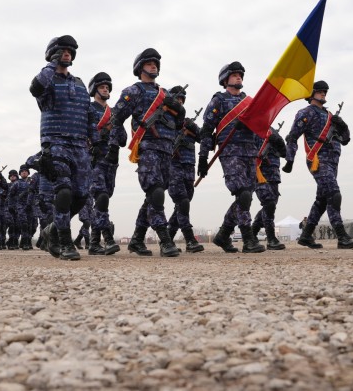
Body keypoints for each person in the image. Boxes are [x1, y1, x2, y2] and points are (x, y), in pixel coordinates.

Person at [109, 48, 185, 257]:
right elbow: (116, 117)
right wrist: (118, 141)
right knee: (156, 193)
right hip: (148, 147)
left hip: (166, 150)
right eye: (150, 63)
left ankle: (136, 240)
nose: (154, 66)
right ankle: (165, 240)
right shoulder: (133, 91)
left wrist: (180, 111)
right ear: (140, 67)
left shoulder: (166, 94)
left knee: (153, 196)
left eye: (156, 64)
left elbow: (177, 125)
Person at [29, 35, 99, 261]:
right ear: (53, 54)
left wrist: (95, 141)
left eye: (69, 51)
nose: (67, 53)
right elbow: (35, 88)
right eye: (62, 50)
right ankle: (64, 239)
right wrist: (52, 63)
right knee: (64, 191)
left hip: (80, 146)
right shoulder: (47, 81)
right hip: (56, 143)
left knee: (81, 195)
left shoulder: (79, 84)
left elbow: (89, 114)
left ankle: (51, 230)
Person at [197, 61, 265, 254]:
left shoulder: (250, 102)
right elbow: (207, 130)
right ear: (225, 79)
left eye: (241, 75)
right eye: (235, 75)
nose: (239, 77)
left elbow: (261, 127)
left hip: (250, 152)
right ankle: (248, 239)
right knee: (243, 193)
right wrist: (203, 157)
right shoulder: (218, 100)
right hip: (230, 152)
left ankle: (223, 235)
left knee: (245, 197)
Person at [284, 80, 353, 249]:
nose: (323, 93)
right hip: (318, 160)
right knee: (334, 194)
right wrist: (289, 160)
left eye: (324, 91)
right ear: (311, 94)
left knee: (322, 200)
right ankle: (342, 237)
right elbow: (292, 137)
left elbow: (345, 139)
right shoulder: (306, 113)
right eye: (319, 91)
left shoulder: (330, 115)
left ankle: (306, 236)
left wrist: (343, 126)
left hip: (333, 161)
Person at [87, 71, 125, 255]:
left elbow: (124, 139)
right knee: (101, 196)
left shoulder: (113, 114)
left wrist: (117, 123)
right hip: (95, 160)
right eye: (102, 87)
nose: (106, 89)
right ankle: (108, 238)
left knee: (103, 201)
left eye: (108, 87)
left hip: (112, 161)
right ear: (95, 89)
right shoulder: (89, 109)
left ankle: (94, 243)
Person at [167, 86, 205, 253]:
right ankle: (189, 239)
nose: (180, 102)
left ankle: (167, 238)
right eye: (177, 100)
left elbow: (203, 138)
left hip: (189, 168)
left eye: (182, 100)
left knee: (183, 204)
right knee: (182, 202)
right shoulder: (167, 123)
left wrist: (193, 128)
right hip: (173, 167)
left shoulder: (188, 123)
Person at [251, 126, 287, 250]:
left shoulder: (273, 132)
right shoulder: (252, 128)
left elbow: (284, 153)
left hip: (274, 174)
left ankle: (253, 232)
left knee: (270, 206)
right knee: (269, 203)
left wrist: (279, 142)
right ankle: (271, 238)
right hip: (259, 173)